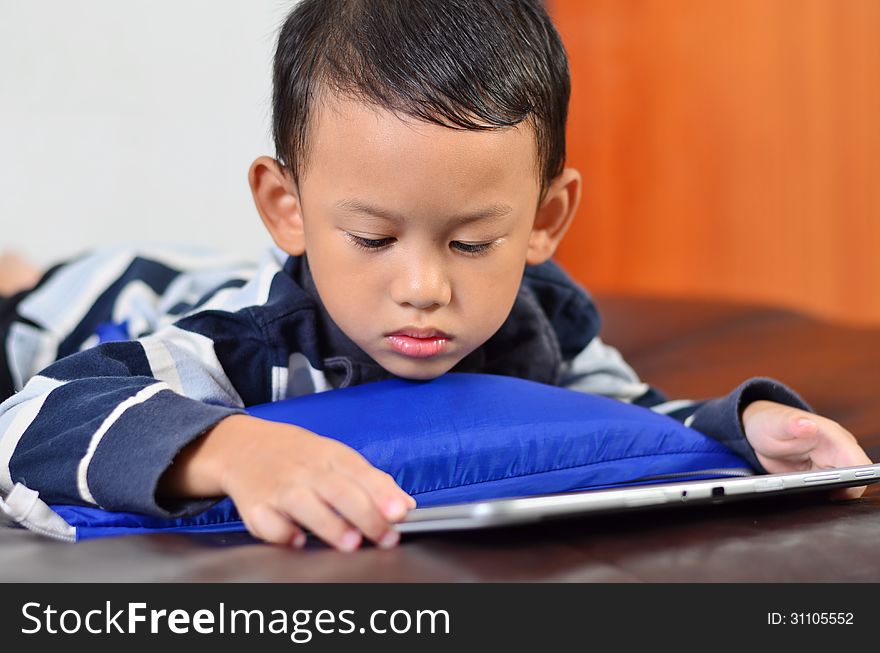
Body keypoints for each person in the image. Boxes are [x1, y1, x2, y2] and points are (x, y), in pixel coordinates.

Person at [0, 0, 870, 552]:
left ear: (543, 220)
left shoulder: (544, 327)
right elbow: (31, 415)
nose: (423, 287)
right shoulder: (246, 341)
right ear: (287, 206)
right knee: (34, 295)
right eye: (374, 238)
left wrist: (747, 425)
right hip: (110, 302)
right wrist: (230, 445)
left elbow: (625, 420)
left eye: (470, 243)